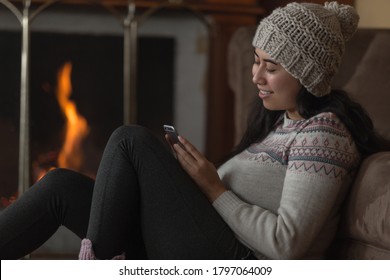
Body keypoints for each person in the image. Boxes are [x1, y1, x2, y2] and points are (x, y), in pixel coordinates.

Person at [1, 1, 389, 260]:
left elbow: (287, 244)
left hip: (233, 262)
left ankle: (99, 264)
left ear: (307, 76)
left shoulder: (323, 134)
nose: (255, 76)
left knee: (130, 140)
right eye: (256, 61)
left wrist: (213, 188)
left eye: (271, 67)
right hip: (200, 241)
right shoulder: (282, 122)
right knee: (60, 188)